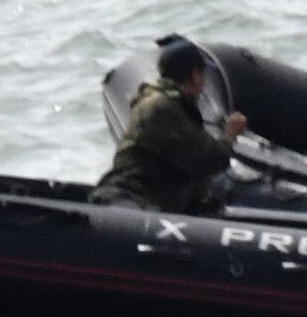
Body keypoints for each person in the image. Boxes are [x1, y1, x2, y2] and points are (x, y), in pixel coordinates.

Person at [97, 37, 240, 213]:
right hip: (128, 200)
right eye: (202, 74)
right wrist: (230, 135)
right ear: (194, 75)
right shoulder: (161, 107)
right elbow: (210, 159)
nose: (203, 82)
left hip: (147, 203)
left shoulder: (161, 103)